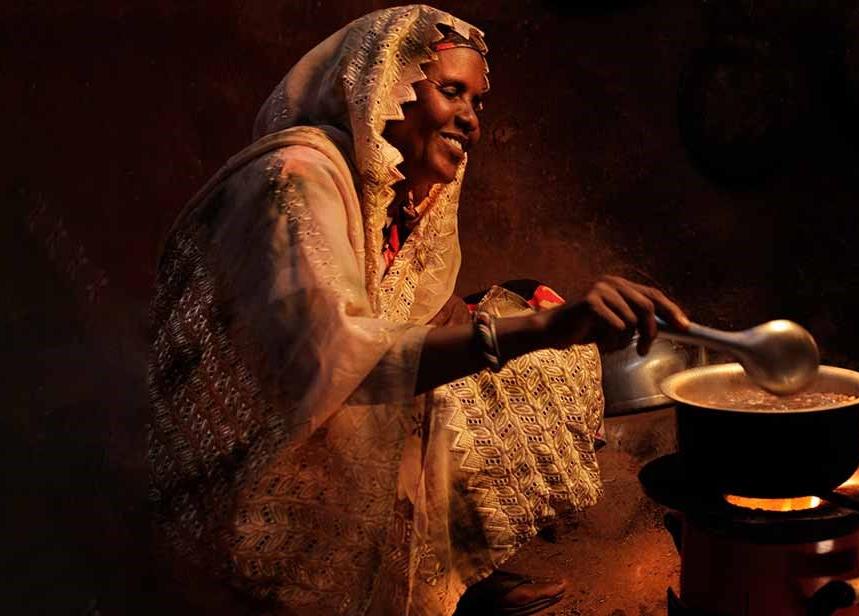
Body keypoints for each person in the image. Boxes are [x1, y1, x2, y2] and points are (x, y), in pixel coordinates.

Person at [146, 5, 689, 615]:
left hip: (338, 420)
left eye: (477, 102)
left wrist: (508, 314)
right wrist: (541, 328)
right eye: (450, 92)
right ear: (382, 90)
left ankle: (445, 573)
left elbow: (411, 310)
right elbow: (342, 358)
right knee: (477, 371)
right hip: (252, 473)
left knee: (534, 361)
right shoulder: (294, 180)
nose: (470, 119)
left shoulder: (394, 193)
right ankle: (387, 585)